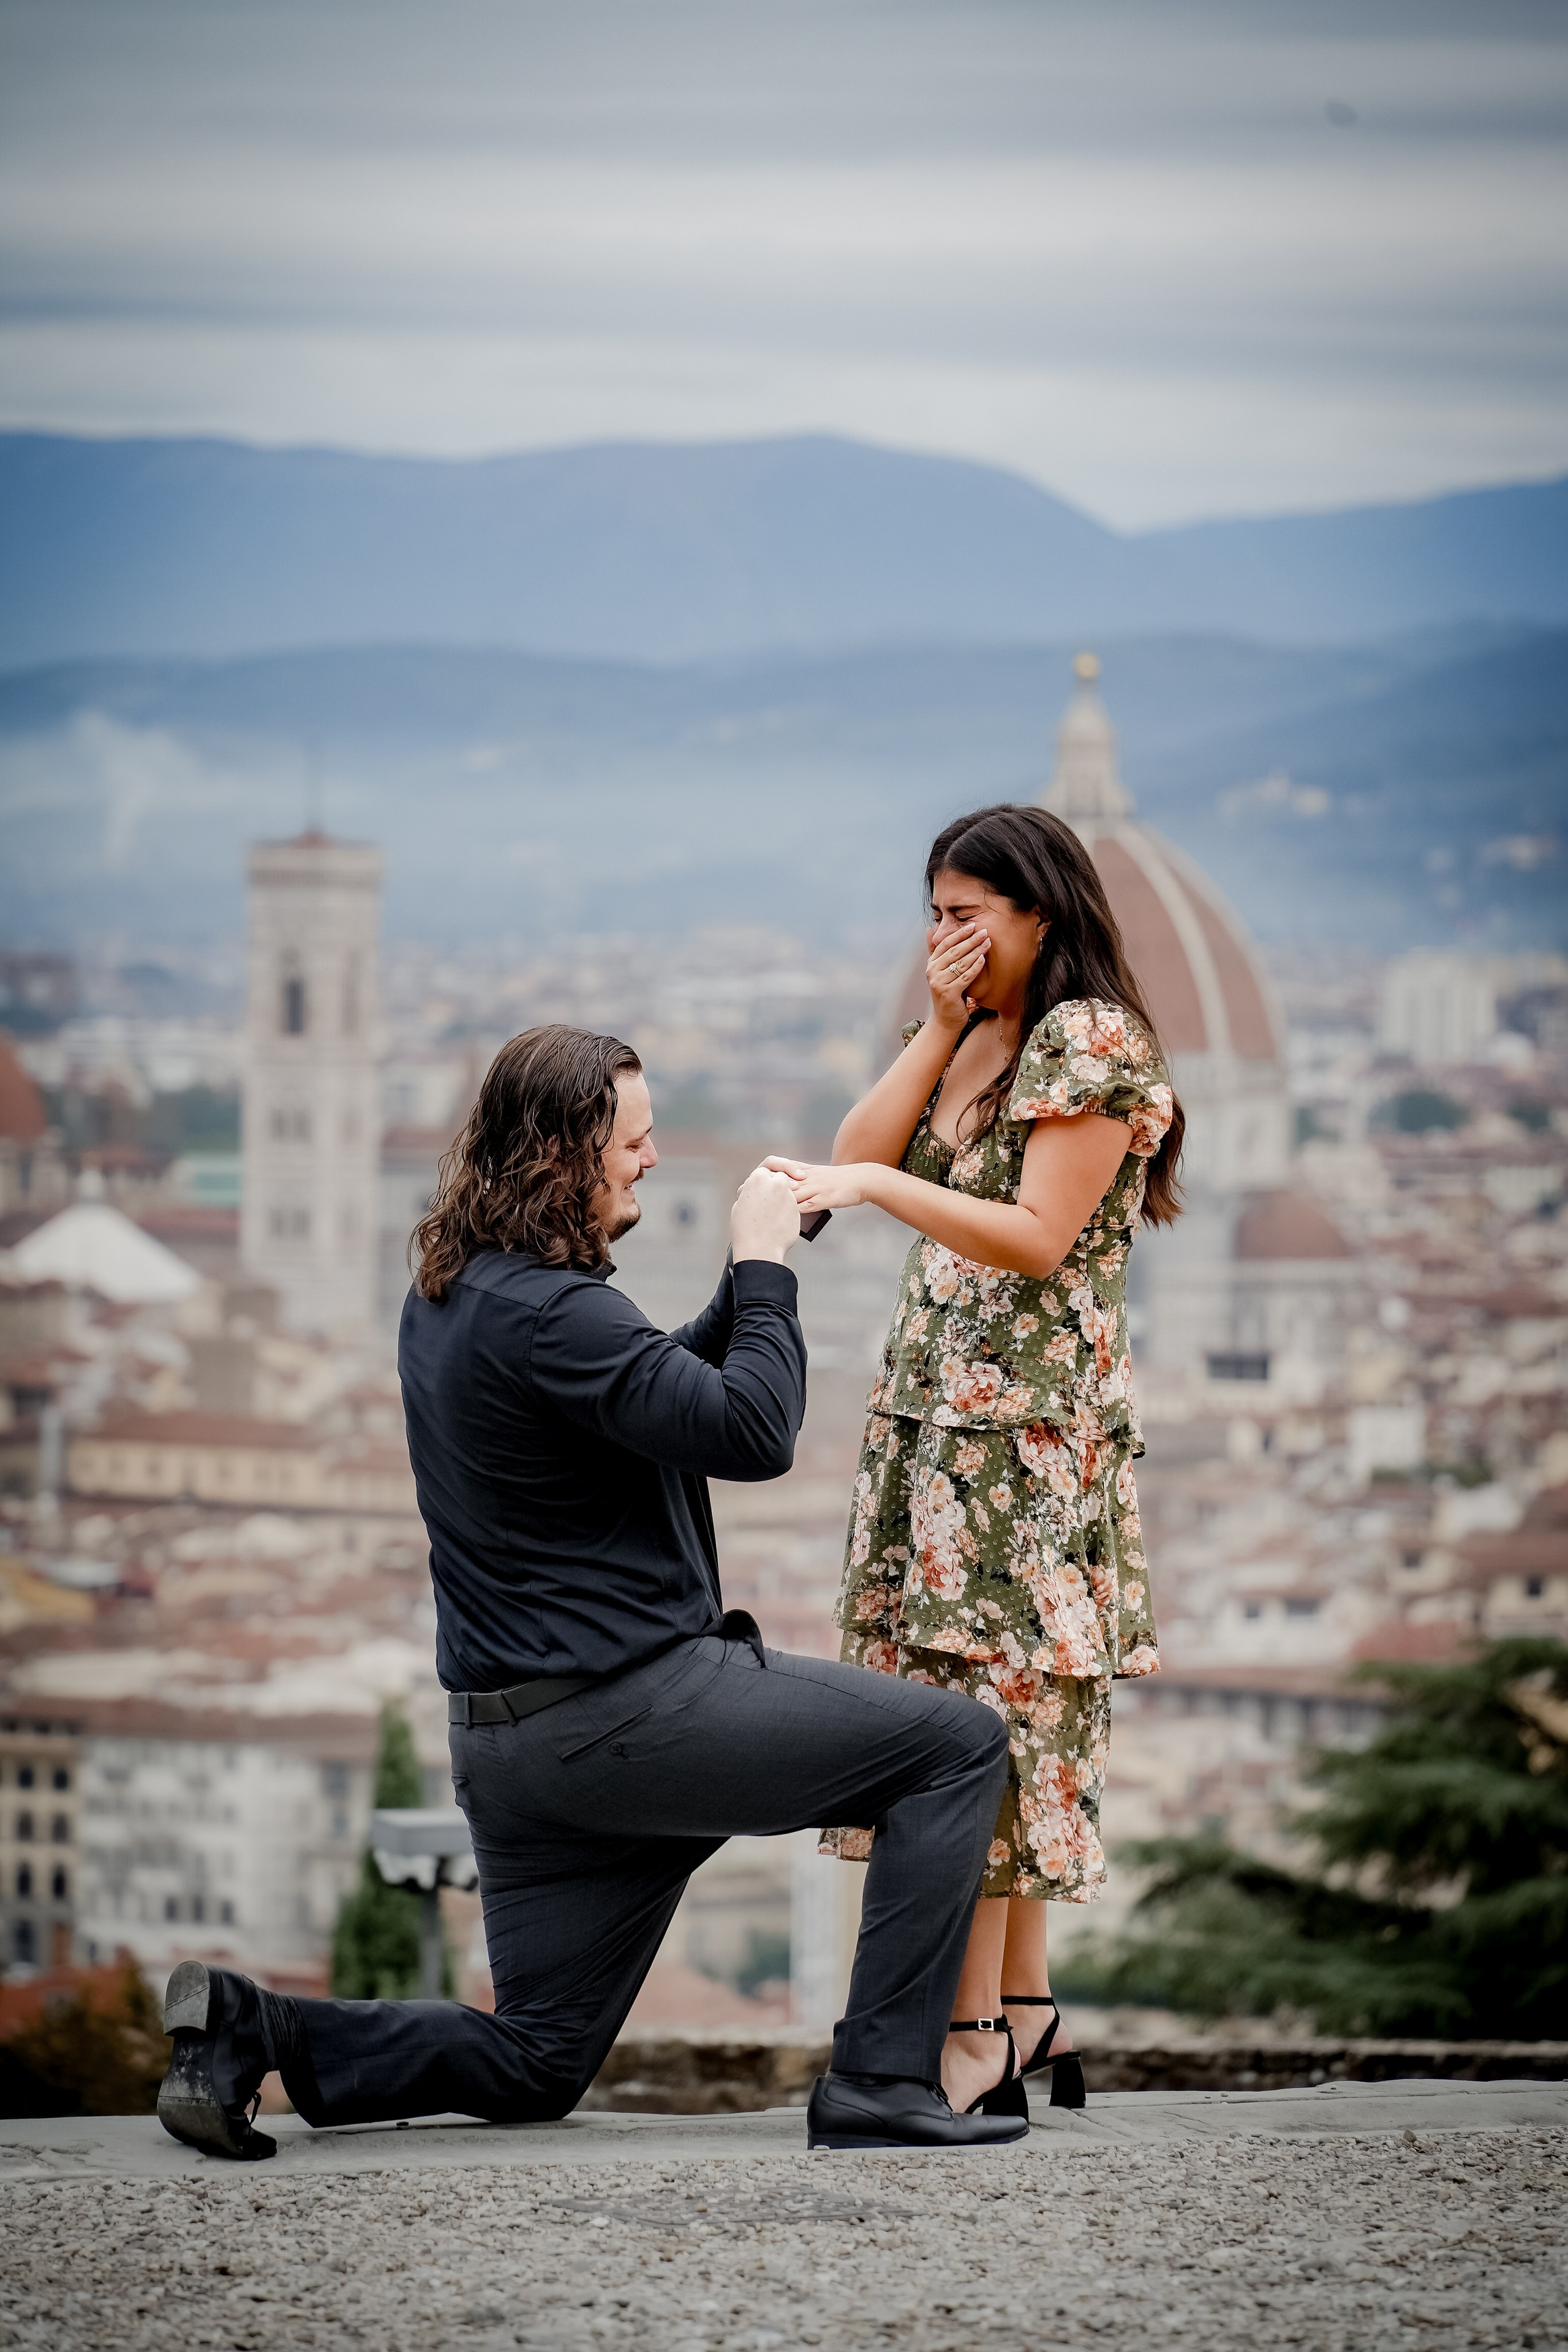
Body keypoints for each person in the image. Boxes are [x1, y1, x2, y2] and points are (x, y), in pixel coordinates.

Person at [156, 1024, 1026, 2159]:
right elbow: (754, 1433)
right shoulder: (560, 1312)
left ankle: (246, 2029)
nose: (651, 1160)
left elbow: (643, 1387)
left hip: (512, 1751)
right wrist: (763, 1271)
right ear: (566, 1153)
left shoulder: (459, 1294)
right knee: (953, 1747)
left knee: (538, 2061)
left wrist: (749, 1280)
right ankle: (882, 2077)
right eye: (634, 1138)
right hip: (626, 1718)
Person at [767, 804, 1182, 2120]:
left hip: (1023, 1446)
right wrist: (940, 1028)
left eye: (966, 915)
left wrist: (882, 1194)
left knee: (989, 1724)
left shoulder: (1091, 1040)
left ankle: (975, 2029)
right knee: (958, 1716)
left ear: (1039, 914)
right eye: (931, 914)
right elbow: (858, 1146)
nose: (941, 938)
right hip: (936, 1437)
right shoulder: (978, 1036)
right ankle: (1024, 2016)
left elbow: (1037, 1235)